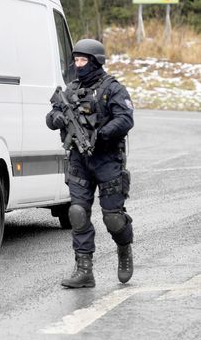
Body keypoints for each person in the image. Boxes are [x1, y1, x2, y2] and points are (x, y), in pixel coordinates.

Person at [46, 38, 134, 288]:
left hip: (107, 160)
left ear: (95, 62)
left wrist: (103, 133)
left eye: (84, 60)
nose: (79, 65)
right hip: (79, 162)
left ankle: (124, 249)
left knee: (113, 219)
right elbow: (50, 116)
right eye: (76, 60)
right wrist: (59, 118)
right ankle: (84, 270)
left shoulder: (112, 88)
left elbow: (126, 118)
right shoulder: (70, 90)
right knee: (77, 213)